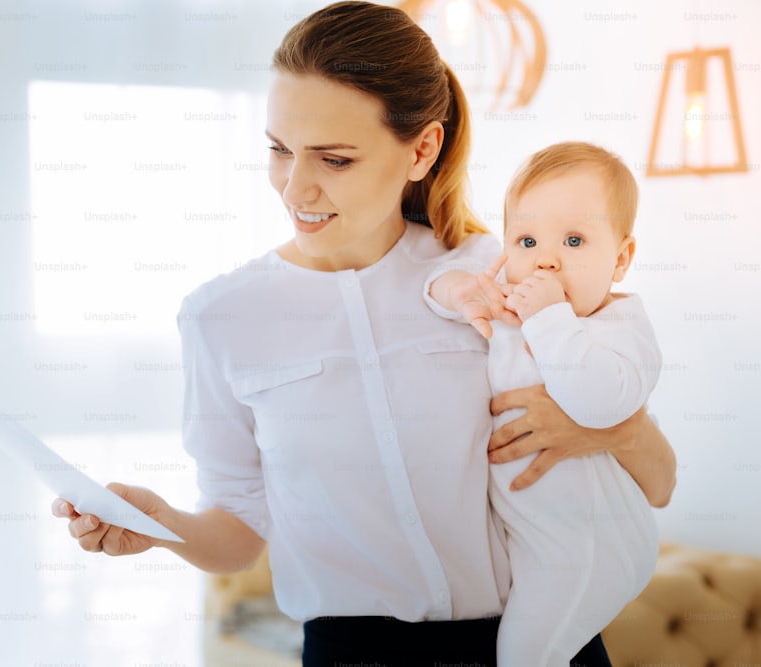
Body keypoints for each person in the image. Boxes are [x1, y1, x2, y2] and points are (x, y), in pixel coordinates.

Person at [52, 3, 677, 665]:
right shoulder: (223, 317)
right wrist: (159, 524)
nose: (296, 187)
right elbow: (238, 531)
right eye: (279, 149)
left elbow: (659, 480)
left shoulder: (501, 271)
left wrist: (613, 429)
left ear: (423, 149)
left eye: (335, 159)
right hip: (354, 650)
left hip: (535, 638)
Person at [424, 141, 661, 666]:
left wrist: (550, 319)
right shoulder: (516, 308)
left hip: (592, 548)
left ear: (620, 259)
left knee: (524, 656)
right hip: (537, 544)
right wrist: (456, 286)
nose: (546, 259)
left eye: (574, 240)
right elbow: (434, 296)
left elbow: (600, 404)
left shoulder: (619, 328)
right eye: (526, 240)